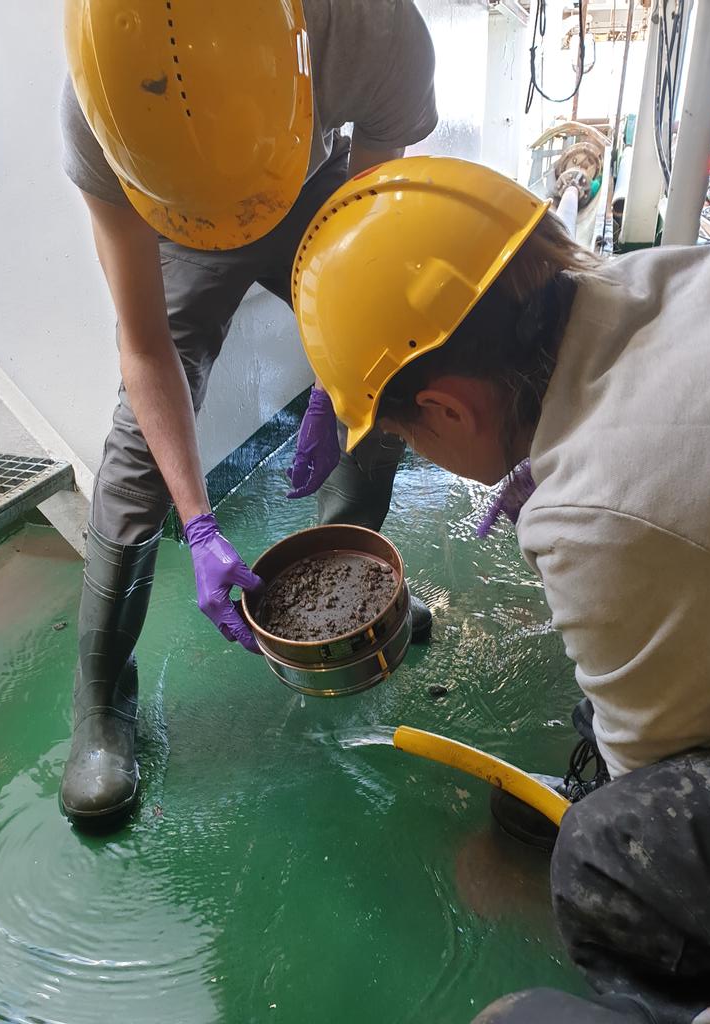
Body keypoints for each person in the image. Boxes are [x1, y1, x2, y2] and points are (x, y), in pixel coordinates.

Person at [292, 155, 710, 1024]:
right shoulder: (663, 276)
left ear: (450, 409)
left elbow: (662, 761)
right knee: (603, 698)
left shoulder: (598, 513)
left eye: (403, 435)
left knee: (611, 860)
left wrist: (621, 810)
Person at [59, 0, 437, 825]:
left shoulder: (367, 29)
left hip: (308, 193)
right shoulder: (103, 104)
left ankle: (361, 590)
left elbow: (370, 278)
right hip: (175, 228)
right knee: (138, 440)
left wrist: (346, 383)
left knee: (389, 373)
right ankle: (99, 704)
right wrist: (197, 522)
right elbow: (148, 348)